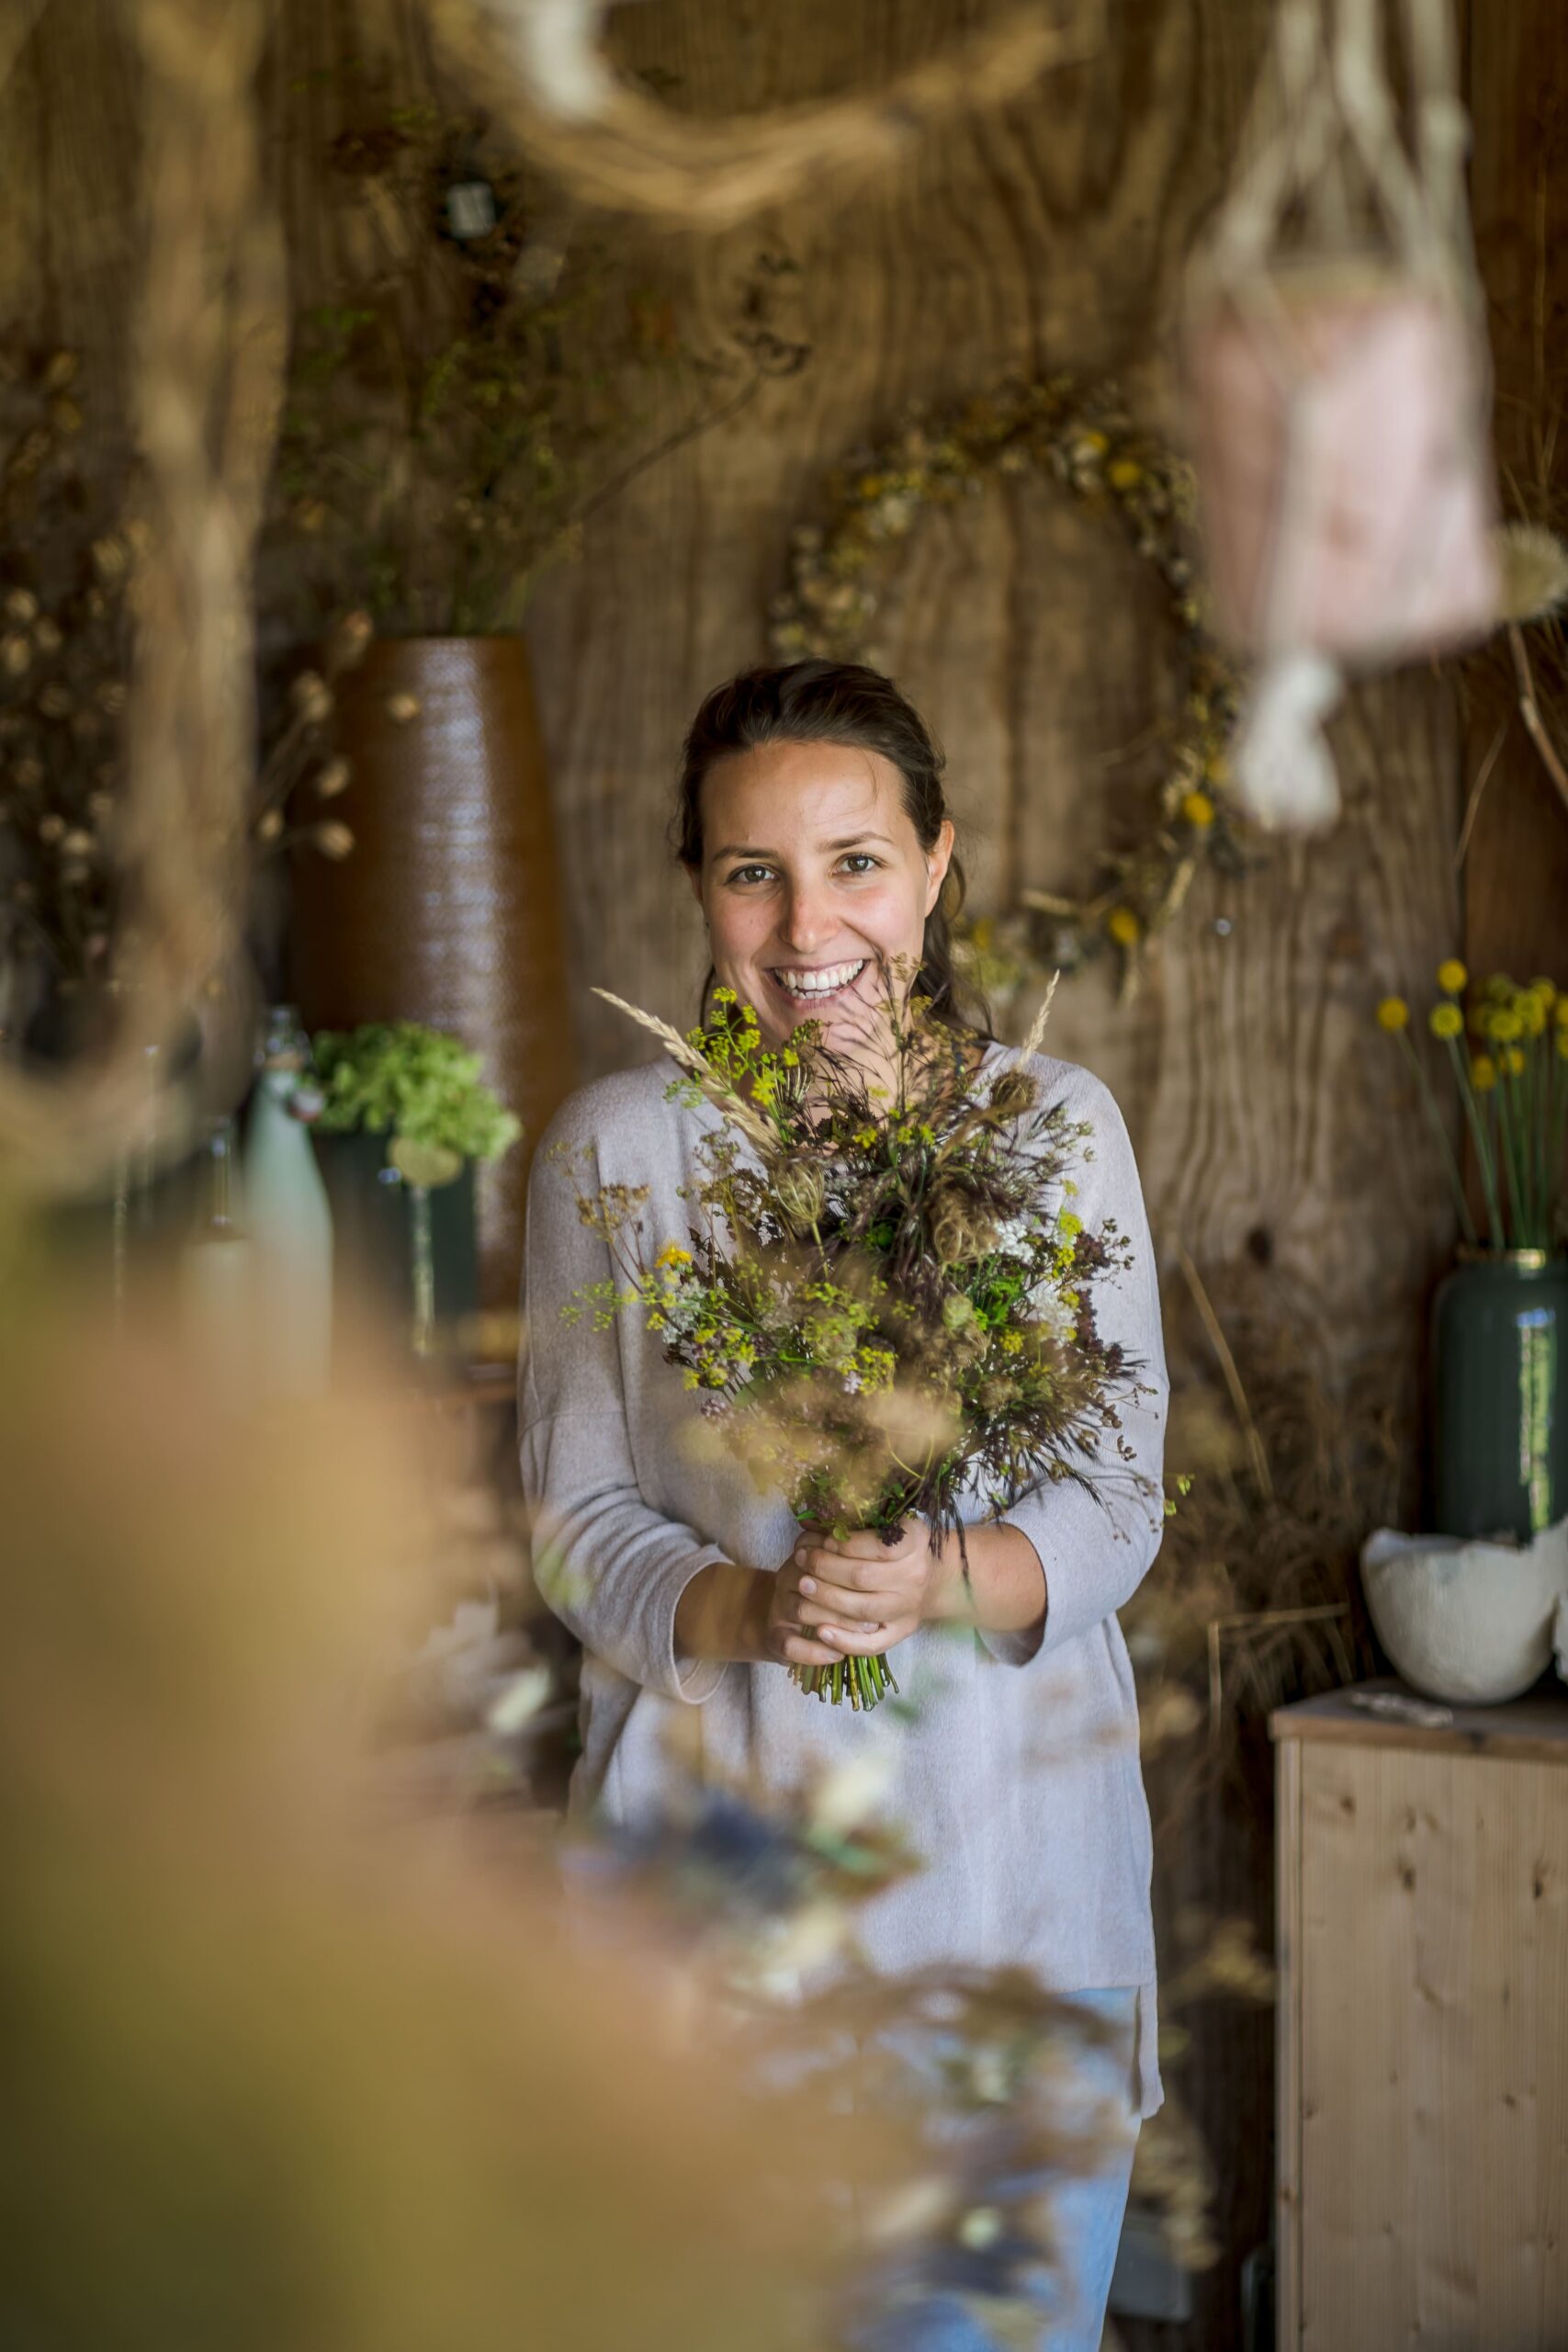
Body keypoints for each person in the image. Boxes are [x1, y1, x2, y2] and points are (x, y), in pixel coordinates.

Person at [521, 659, 1168, 2351]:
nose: (808, 929)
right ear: (700, 888)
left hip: (1012, 1904)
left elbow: (1118, 1497)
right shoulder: (614, 1151)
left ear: (939, 863)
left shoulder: (1055, 1133)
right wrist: (754, 1610)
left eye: (855, 863)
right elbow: (576, 1515)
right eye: (755, 873)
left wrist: (942, 1574)